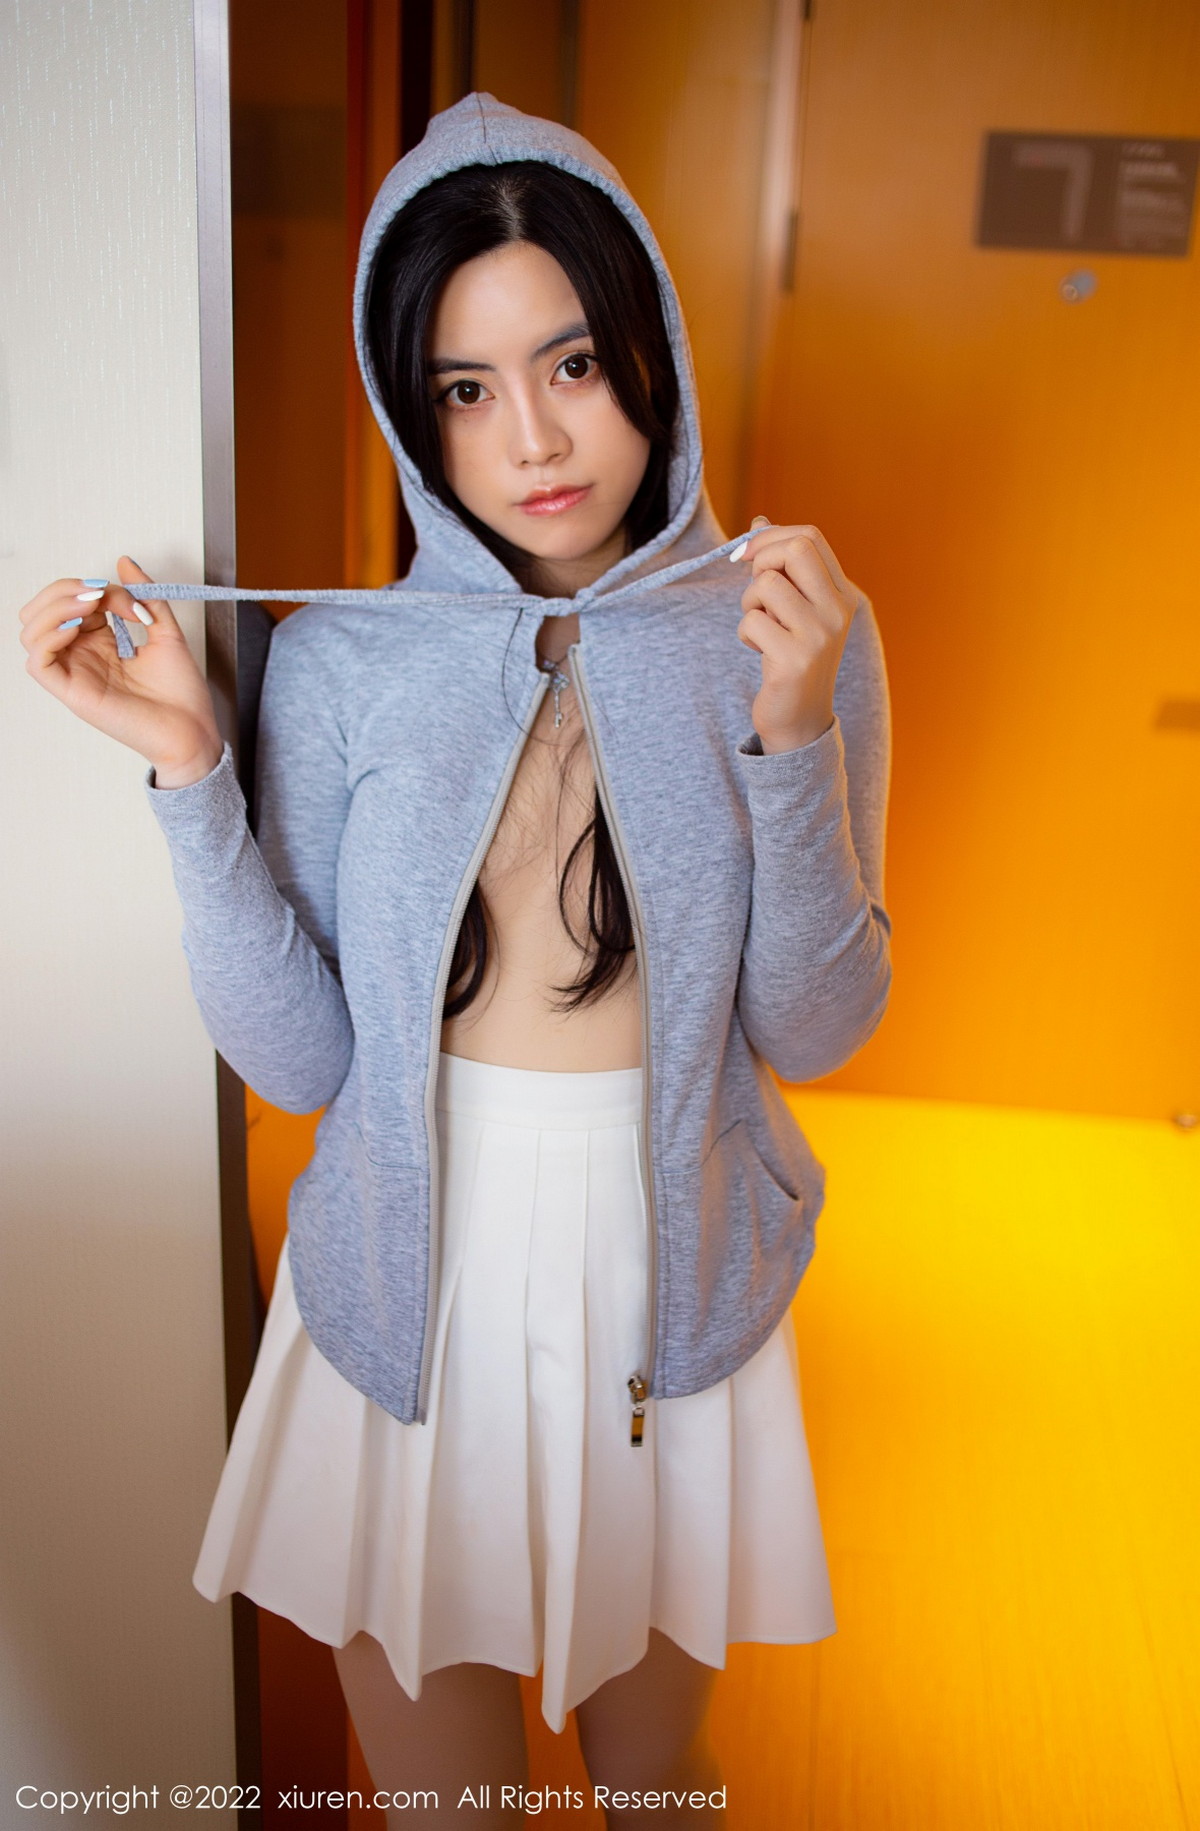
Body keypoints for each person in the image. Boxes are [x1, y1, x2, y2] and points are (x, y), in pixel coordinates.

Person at [18, 95, 891, 1829]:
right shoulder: (346, 660)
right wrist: (191, 771)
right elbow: (300, 1064)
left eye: (573, 363)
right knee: (444, 1811)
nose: (535, 439)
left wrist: (795, 742)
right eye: (467, 391)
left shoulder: (788, 632)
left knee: (655, 1778)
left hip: (674, 1283)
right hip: (409, 1295)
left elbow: (819, 1024)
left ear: (648, 349)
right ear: (412, 416)